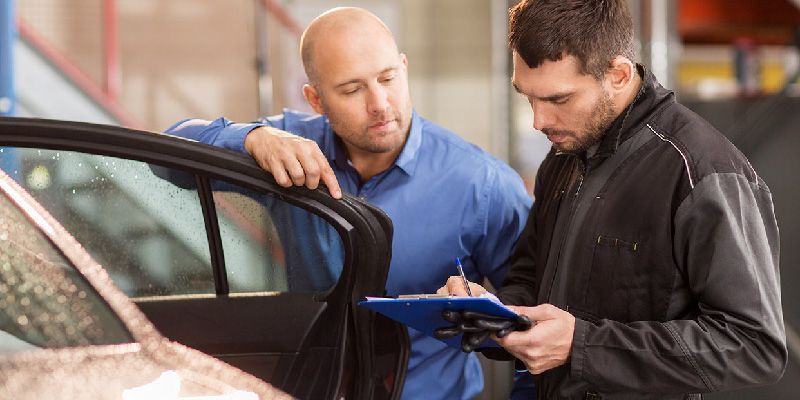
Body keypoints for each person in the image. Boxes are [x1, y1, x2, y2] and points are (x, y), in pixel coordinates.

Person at [165, 7, 531, 400]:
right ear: (315, 99)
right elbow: (170, 160)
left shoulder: (484, 185)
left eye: (388, 78)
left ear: (404, 68)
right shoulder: (287, 148)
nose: (379, 104)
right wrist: (249, 138)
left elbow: (533, 325)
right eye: (353, 89)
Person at [439, 0, 787, 398]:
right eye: (528, 97)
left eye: (558, 99)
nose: (539, 121)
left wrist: (580, 345)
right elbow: (532, 279)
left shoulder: (702, 171)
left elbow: (754, 346)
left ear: (619, 74)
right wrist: (493, 311)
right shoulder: (563, 158)